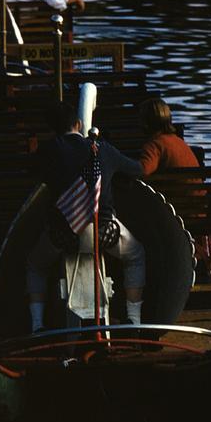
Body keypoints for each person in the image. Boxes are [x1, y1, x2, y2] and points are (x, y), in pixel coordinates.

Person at [26, 103, 146, 332]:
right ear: (79, 124)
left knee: (35, 264)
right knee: (136, 254)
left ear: (52, 128)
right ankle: (135, 320)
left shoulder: (49, 150)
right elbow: (138, 169)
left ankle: (37, 325)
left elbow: (30, 170)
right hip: (103, 232)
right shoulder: (102, 149)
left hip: (63, 234)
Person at [137, 97, 199, 176]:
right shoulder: (178, 141)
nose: (139, 123)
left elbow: (143, 169)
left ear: (147, 123)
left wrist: (121, 161)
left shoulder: (155, 145)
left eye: (141, 119)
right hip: (196, 188)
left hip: (178, 188)